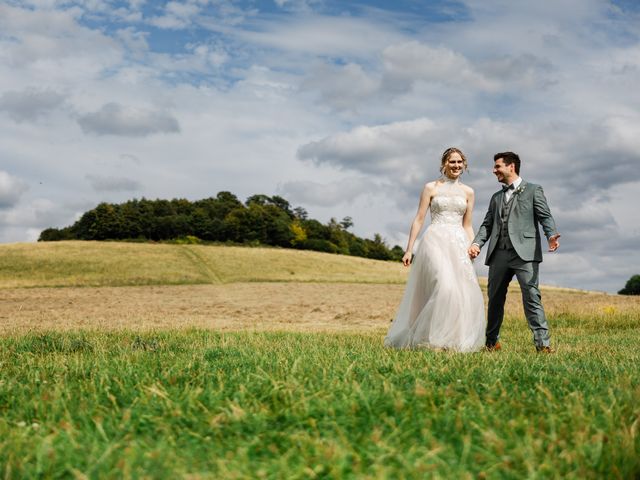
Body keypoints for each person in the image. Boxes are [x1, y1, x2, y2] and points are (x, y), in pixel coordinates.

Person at [384, 147, 486, 352]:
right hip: (435, 240)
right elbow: (419, 218)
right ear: (444, 164)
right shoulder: (431, 187)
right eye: (452, 162)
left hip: (458, 244)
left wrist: (473, 245)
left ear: (464, 165)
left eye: (459, 162)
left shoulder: (469, 192)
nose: (456, 166)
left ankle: (451, 338)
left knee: (460, 292)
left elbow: (467, 224)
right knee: (444, 285)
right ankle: (431, 337)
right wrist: (409, 249)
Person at [468, 152, 560, 353]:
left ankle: (542, 344)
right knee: (495, 299)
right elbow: (487, 224)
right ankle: (492, 343)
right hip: (498, 254)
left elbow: (545, 216)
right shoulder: (496, 197)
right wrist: (477, 244)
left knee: (532, 297)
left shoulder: (534, 190)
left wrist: (550, 234)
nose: (494, 171)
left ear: (511, 167)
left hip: (525, 253)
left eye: (497, 166)